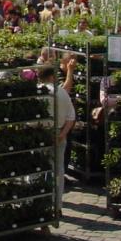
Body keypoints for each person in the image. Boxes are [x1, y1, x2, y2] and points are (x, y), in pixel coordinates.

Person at [39, 62, 75, 201]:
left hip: (40, 133)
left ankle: (38, 201)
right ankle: (57, 204)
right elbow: (71, 117)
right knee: (58, 170)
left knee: (37, 168)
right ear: (52, 76)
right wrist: (62, 134)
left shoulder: (38, 91)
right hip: (58, 132)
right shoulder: (62, 93)